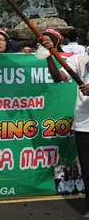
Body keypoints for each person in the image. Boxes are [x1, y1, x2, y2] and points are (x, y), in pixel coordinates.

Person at [41, 37, 89, 217]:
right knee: (87, 170)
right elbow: (58, 77)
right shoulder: (79, 59)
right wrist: (48, 55)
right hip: (84, 123)